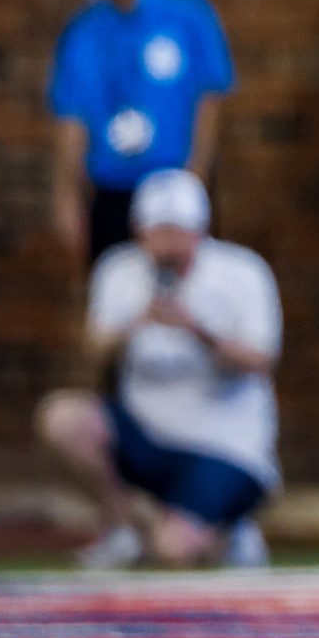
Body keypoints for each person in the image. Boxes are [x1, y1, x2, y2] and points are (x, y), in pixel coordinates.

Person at [37, 169, 281, 569]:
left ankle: (227, 526)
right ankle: (124, 529)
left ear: (201, 231)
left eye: (178, 232)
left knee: (173, 553)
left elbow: (263, 361)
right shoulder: (119, 270)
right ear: (139, 232)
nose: (169, 245)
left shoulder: (242, 271)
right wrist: (134, 324)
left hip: (224, 448)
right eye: (159, 232)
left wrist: (199, 332)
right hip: (149, 440)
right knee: (63, 418)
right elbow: (89, 355)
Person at [49, 0, 236, 270]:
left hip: (174, 181)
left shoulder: (187, 14)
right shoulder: (83, 31)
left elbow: (210, 98)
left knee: (187, 291)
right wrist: (66, 196)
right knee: (114, 290)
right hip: (113, 186)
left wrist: (196, 175)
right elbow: (70, 118)